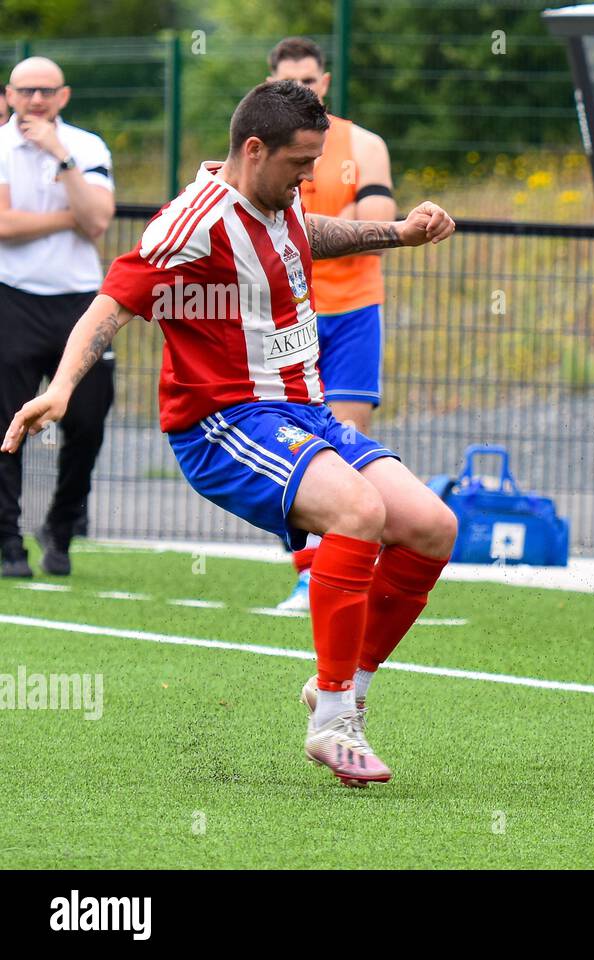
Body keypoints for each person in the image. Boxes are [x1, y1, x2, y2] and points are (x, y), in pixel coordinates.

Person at [3, 81, 458, 788]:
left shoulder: (280, 197)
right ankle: (334, 720)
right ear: (254, 150)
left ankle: (341, 689)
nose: (310, 177)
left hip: (303, 412)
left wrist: (395, 233)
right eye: (301, 164)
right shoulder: (189, 223)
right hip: (224, 421)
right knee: (360, 514)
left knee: (432, 525)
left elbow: (310, 233)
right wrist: (59, 388)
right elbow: (111, 303)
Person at [267, 37, 399, 611]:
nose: (302, 89)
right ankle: (306, 572)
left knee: (345, 441)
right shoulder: (258, 147)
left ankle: (338, 572)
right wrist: (330, 226)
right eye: (288, 82)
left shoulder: (363, 144)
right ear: (271, 84)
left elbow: (377, 226)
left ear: (326, 82)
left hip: (351, 311)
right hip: (282, 313)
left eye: (311, 80)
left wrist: (307, 226)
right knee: (286, 440)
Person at [0, 57, 116, 578]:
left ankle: (61, 528)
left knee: (88, 423)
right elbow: (2, 225)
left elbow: (95, 221)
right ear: (10, 95)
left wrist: (59, 156)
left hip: (80, 304)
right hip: (12, 298)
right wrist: (69, 216)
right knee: (7, 427)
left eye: (47, 91)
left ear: (63, 96)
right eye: (27, 91)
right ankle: (7, 542)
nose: (37, 101)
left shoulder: (86, 147)